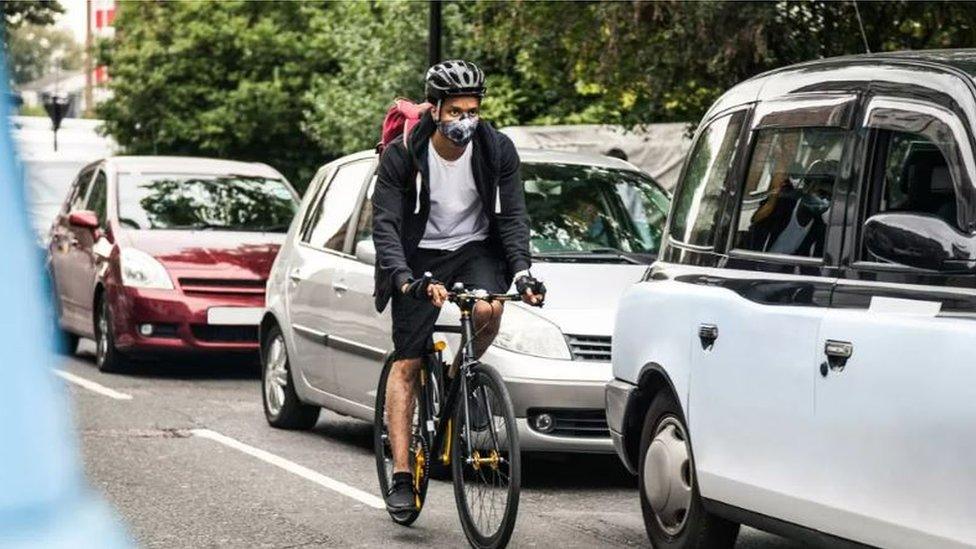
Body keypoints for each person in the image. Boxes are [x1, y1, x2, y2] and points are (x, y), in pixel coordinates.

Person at [371, 59, 545, 512]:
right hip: (417, 253)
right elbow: (386, 225)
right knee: (407, 363)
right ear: (435, 109)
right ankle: (403, 475)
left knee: (489, 309)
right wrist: (404, 279)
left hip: (473, 247)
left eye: (473, 110)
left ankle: (458, 377)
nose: (465, 120)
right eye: (456, 112)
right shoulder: (403, 155)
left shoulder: (496, 149)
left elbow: (511, 217)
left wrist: (522, 269)